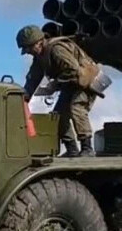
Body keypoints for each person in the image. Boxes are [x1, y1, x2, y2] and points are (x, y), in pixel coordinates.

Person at [16, 25, 104, 157]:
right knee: (58, 116)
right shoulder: (40, 57)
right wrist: (25, 95)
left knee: (77, 108)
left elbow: (74, 71)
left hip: (86, 84)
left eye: (29, 47)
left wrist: (54, 85)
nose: (27, 51)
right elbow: (33, 77)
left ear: (39, 42)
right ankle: (72, 150)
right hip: (71, 85)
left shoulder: (56, 50)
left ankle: (87, 148)